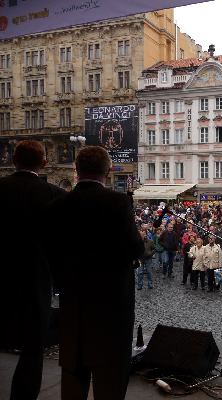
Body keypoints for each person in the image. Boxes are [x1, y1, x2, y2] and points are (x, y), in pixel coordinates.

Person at [46, 146, 143, 400]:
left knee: (73, 377)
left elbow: (51, 253)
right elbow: (135, 248)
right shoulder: (118, 202)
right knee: (110, 380)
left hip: (73, 303)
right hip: (111, 306)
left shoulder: (58, 205)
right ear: (108, 170)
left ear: (76, 170)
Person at [0, 140, 65, 400]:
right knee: (32, 350)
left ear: (13, 160)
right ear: (45, 163)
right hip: (34, 281)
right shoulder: (55, 196)